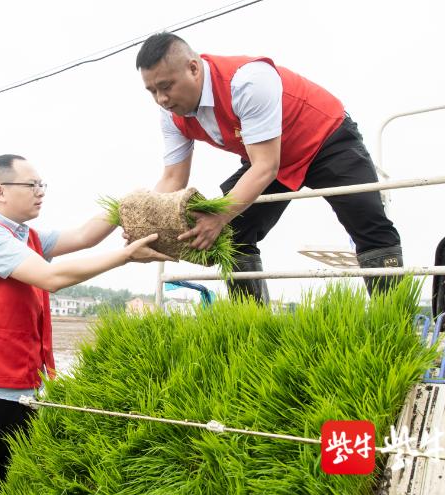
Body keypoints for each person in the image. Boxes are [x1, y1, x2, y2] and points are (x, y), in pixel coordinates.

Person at [0, 154, 170, 495]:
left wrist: (128, 204)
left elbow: (86, 236)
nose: (40, 192)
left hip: (21, 390)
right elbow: (51, 277)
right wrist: (125, 256)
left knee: (7, 490)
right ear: (0, 191)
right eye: (32, 185)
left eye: (41, 185)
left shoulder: (26, 236)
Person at [136, 32, 402, 302]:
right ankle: (251, 324)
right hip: (269, 157)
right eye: (152, 91)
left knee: (369, 222)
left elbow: (264, 167)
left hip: (325, 140)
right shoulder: (172, 115)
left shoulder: (246, 81)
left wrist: (218, 217)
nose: (161, 99)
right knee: (234, 233)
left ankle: (394, 322)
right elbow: (172, 178)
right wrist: (143, 221)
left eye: (166, 86)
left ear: (193, 68)